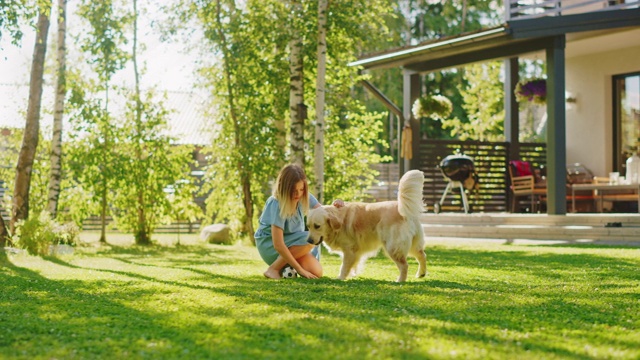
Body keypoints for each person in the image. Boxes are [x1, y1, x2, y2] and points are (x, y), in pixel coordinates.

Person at [255, 164, 343, 279]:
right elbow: (278, 244)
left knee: (316, 272)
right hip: (270, 246)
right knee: (311, 237)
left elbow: (323, 212)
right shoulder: (276, 203)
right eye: (293, 190)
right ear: (285, 188)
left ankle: (287, 267)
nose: (298, 194)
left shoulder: (304, 196)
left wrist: (335, 205)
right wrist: (300, 270)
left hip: (294, 245)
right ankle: (274, 269)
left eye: (301, 189)